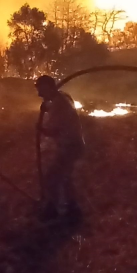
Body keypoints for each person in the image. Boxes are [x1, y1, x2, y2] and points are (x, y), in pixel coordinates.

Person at [35, 75, 85, 222]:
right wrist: (47, 106)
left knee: (52, 178)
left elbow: (55, 131)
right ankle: (72, 208)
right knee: (65, 177)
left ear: (47, 87)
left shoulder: (59, 105)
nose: (38, 92)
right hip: (72, 145)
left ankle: (53, 209)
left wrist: (41, 129)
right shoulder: (62, 97)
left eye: (40, 88)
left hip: (70, 146)